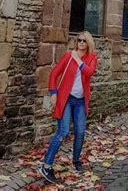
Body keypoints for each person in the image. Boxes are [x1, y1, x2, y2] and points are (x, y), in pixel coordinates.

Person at [39, 31, 98, 184]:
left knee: (80, 132)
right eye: (79, 40)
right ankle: (46, 166)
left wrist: (78, 59)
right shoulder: (67, 56)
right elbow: (53, 74)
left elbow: (89, 72)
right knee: (63, 132)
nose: (81, 43)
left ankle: (76, 160)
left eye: (84, 41)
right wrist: (53, 92)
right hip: (66, 100)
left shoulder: (92, 58)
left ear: (89, 43)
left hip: (80, 101)